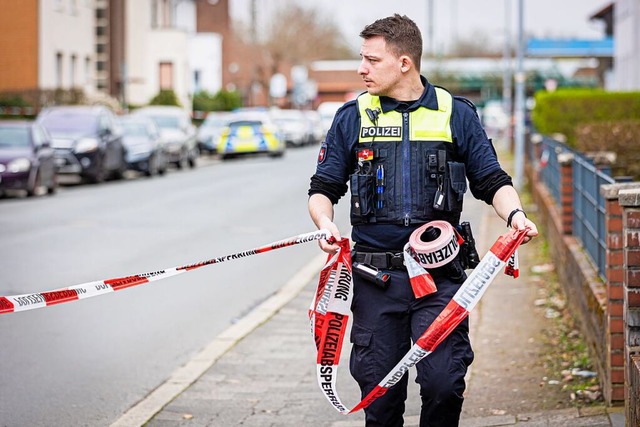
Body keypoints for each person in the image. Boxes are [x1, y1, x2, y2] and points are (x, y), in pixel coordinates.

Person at [307, 14, 539, 427]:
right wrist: (325, 222)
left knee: (443, 385)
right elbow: (323, 188)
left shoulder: (455, 113)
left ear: (404, 63)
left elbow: (491, 180)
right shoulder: (353, 116)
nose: (362, 68)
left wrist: (516, 216)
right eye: (361, 58)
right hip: (374, 278)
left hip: (441, 277)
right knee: (380, 399)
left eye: (371, 60)